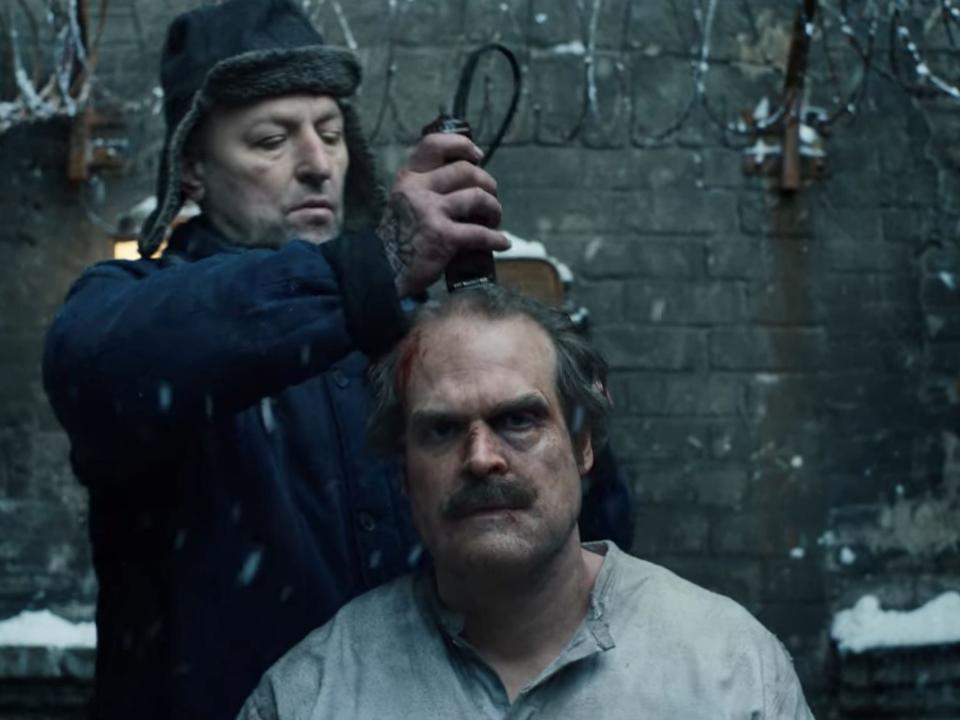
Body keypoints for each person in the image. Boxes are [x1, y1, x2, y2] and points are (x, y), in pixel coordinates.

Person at [41, 0, 630, 718]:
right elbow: (103, 365)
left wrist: (551, 401)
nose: (318, 164)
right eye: (269, 141)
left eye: (329, 133)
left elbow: (587, 537)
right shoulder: (138, 306)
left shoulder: (408, 337)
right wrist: (373, 266)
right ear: (192, 169)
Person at [239, 286, 815, 720]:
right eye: (441, 430)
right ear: (404, 474)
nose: (482, 457)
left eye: (518, 420)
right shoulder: (311, 696)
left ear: (583, 444)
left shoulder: (729, 668)